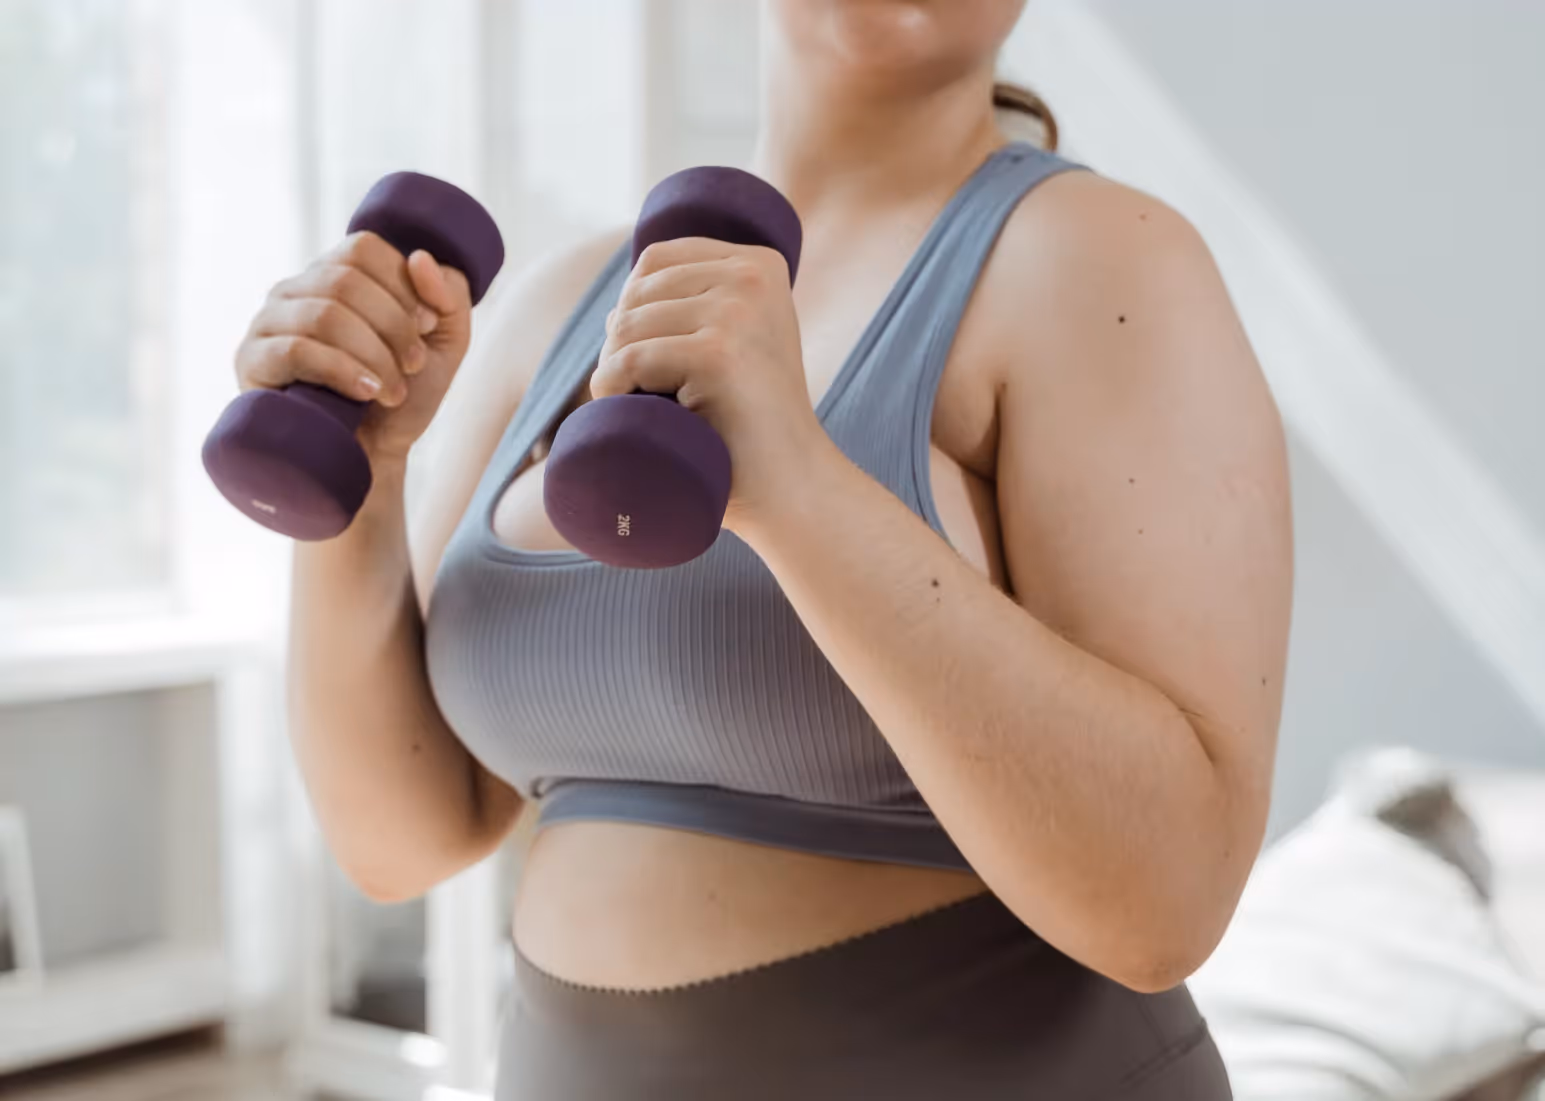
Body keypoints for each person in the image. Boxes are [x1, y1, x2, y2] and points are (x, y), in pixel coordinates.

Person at [235, 2, 1292, 1096]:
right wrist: (363, 479)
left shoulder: (1103, 263)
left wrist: (794, 487)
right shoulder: (562, 304)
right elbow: (401, 839)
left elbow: (1167, 903)